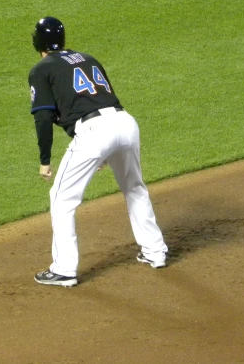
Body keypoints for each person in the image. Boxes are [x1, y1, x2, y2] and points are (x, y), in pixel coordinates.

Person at [28, 16, 168, 287]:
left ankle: (64, 270)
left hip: (94, 132)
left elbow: (44, 118)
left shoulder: (41, 69)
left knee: (62, 199)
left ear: (37, 41)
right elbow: (99, 99)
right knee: (135, 188)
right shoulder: (88, 58)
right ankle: (156, 252)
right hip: (124, 122)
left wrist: (45, 160)